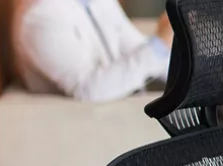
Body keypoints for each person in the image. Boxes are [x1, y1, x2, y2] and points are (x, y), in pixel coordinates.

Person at [11, 0, 172, 102]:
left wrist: (179, 42)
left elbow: (136, 48)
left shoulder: (96, 2)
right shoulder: (41, 15)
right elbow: (89, 89)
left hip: (125, 107)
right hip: (92, 124)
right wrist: (161, 44)